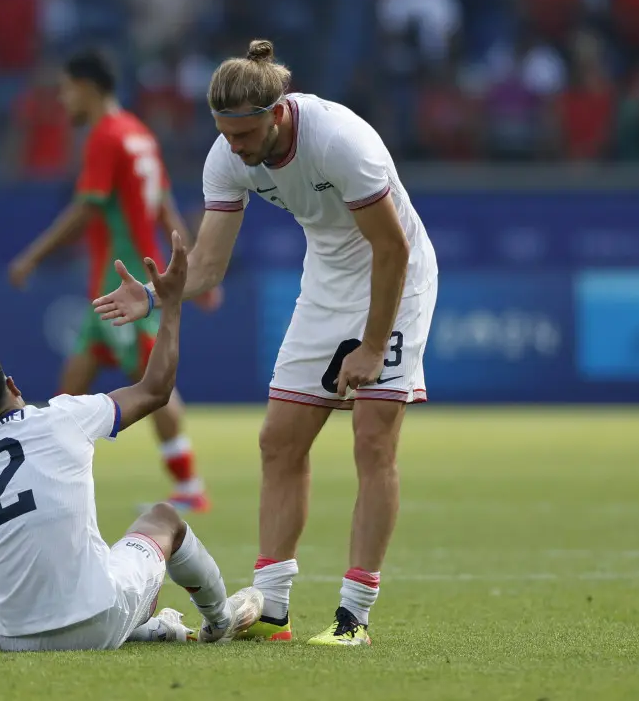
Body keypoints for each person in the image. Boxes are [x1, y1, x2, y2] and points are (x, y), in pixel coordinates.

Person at [91, 39, 439, 646]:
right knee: (279, 441)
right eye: (224, 134)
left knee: (373, 438)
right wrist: (152, 297)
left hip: (397, 281)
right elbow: (207, 269)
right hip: (328, 281)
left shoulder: (340, 142)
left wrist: (370, 345)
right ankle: (272, 610)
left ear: (277, 113)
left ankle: (353, 617)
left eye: (244, 135)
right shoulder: (226, 156)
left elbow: (393, 249)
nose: (235, 148)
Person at [0, 235, 262, 651]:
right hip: (97, 621)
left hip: (8, 636)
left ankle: (155, 628)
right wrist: (170, 307)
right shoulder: (63, 417)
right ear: (12, 385)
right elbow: (156, 390)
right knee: (163, 519)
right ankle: (220, 620)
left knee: (80, 565)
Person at [8, 49, 220, 512]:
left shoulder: (106, 137)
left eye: (66, 90)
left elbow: (86, 208)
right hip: (132, 275)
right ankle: (45, 475)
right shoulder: (140, 134)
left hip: (122, 283)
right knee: (73, 382)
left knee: (152, 382)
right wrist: (194, 267)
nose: (63, 100)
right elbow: (165, 207)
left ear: (87, 87)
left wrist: (32, 256)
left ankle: (188, 485)